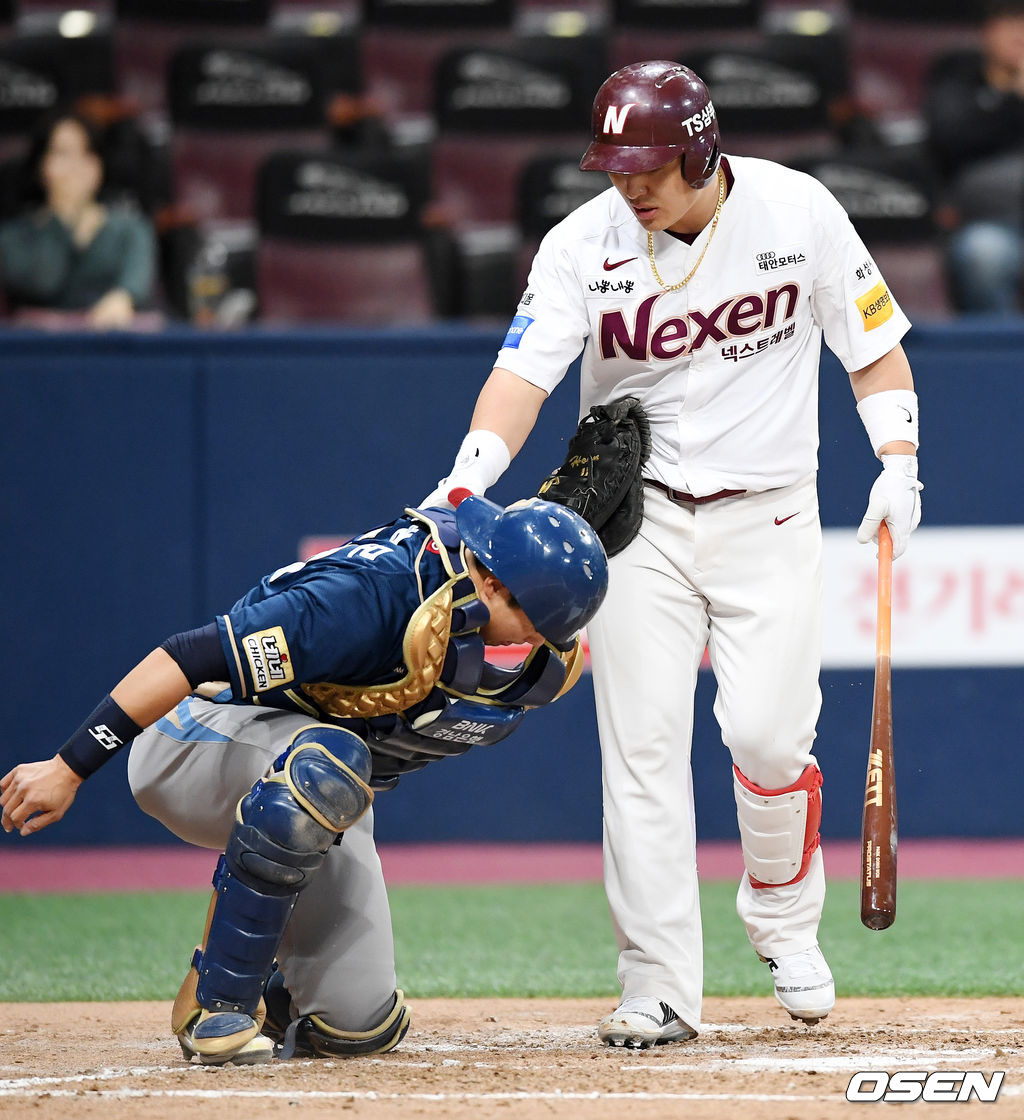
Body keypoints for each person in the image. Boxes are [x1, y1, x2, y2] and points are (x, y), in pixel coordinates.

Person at [421, 60, 922, 1048]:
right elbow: (522, 371)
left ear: (698, 146)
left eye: (646, 165)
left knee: (769, 739)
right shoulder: (581, 242)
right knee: (641, 752)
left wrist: (897, 463)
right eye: (614, 165)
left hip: (769, 511)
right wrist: (466, 478)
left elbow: (869, 344)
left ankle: (781, 921)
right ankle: (656, 985)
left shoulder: (798, 210)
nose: (628, 183)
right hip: (634, 517)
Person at [0, 493, 608, 1065]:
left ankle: (267, 974)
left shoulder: (490, 616)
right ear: (493, 584)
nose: (535, 642)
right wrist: (68, 766)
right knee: (328, 765)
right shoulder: (369, 595)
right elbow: (188, 657)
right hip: (194, 735)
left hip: (311, 775)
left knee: (356, 1024)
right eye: (533, 621)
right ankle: (219, 1001)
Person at [0, 109, 157, 328]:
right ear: (40, 165)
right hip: (37, 352)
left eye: (86, 153)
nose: (76, 165)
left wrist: (119, 302)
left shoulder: (131, 229)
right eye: (63, 153)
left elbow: (134, 288)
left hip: (109, 344)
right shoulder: (12, 236)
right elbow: (44, 283)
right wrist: (62, 215)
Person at [923, 0, 1024, 314]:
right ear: (986, 32)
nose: (1020, 33)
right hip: (989, 224)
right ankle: (1000, 358)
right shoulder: (956, 78)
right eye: (1011, 22)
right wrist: (1014, 100)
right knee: (984, 254)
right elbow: (950, 138)